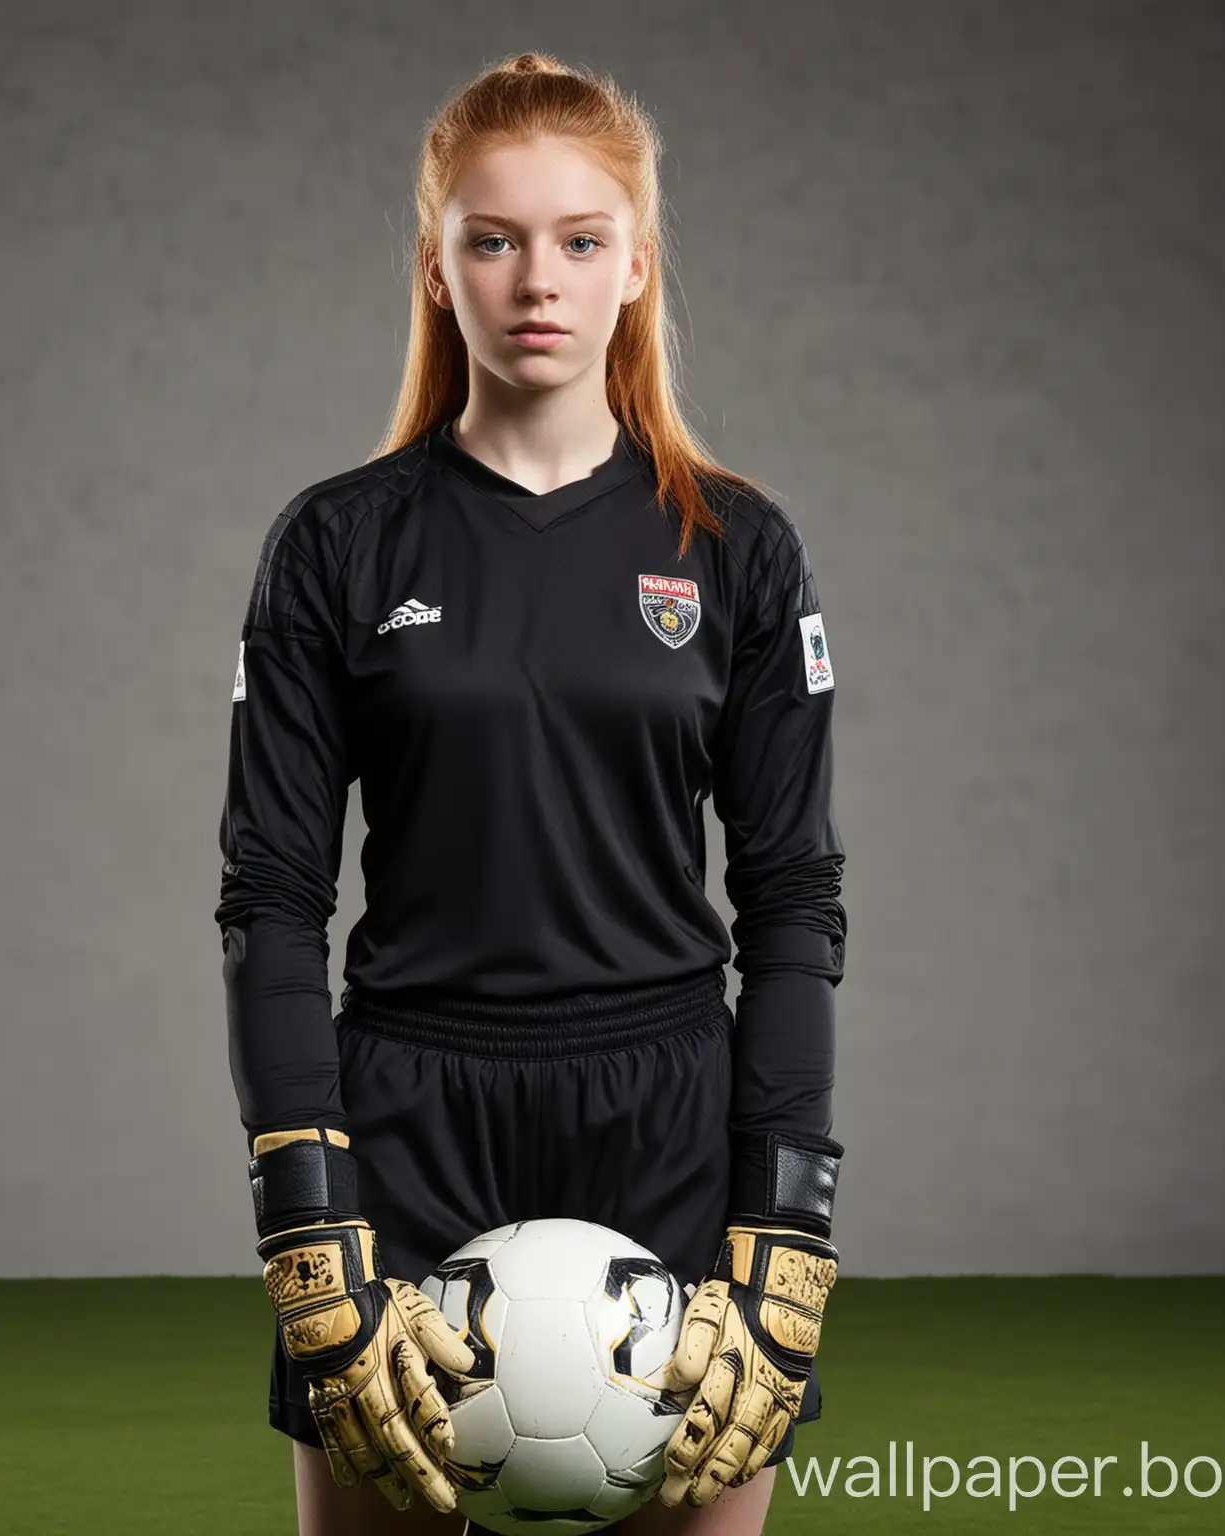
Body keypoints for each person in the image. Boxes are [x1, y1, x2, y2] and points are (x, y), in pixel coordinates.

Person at [214, 50, 848, 1536]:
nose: (535, 280)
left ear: (637, 266)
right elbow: (271, 902)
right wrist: (308, 1215)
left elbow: (795, 899)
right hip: (408, 1119)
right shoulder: (335, 547)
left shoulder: (735, 548)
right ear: (437, 271)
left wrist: (788, 1221)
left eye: (579, 240)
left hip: (672, 1121)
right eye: (490, 240)